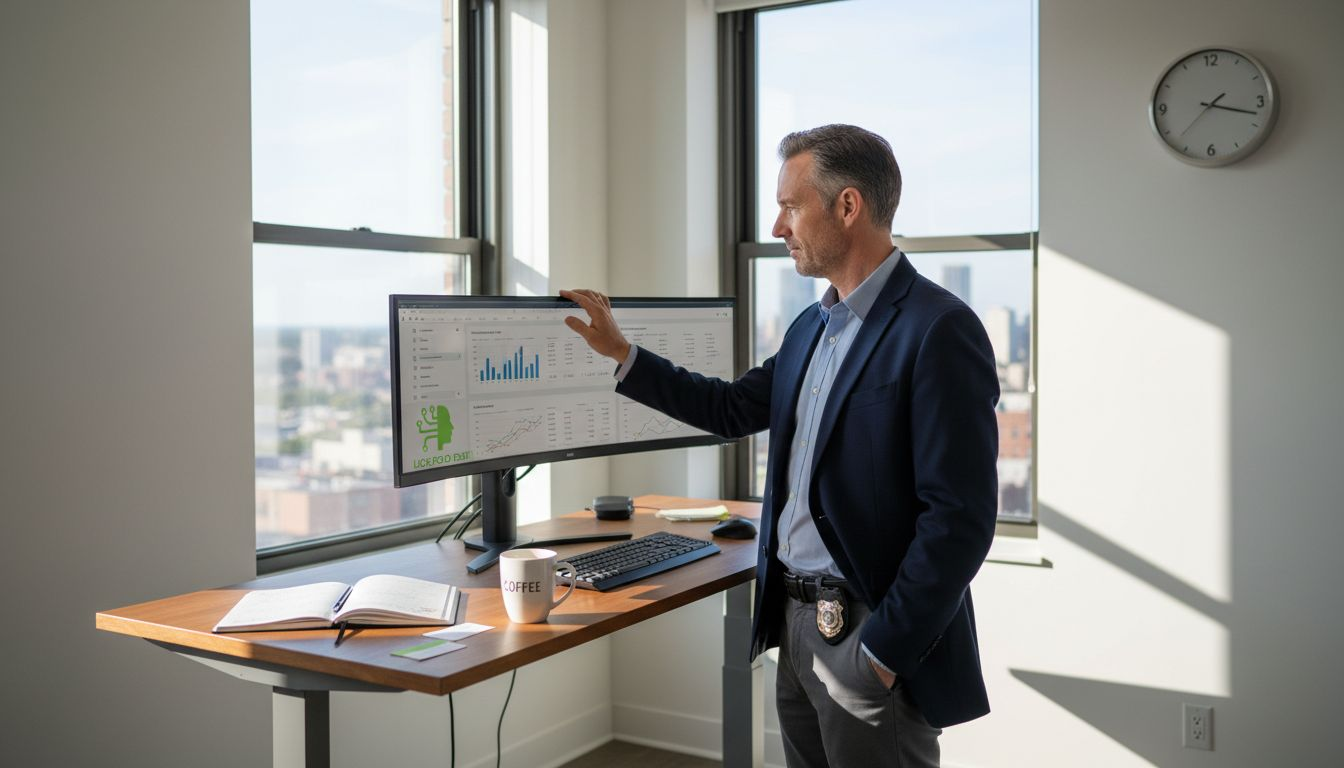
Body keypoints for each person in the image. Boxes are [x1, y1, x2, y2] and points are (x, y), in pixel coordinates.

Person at [561, 124, 999, 768]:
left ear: (847, 207)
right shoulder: (811, 328)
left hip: (865, 630)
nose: (777, 226)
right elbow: (732, 407)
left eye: (791, 206)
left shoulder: (938, 329)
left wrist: (878, 655)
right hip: (792, 624)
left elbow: (959, 521)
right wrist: (624, 355)